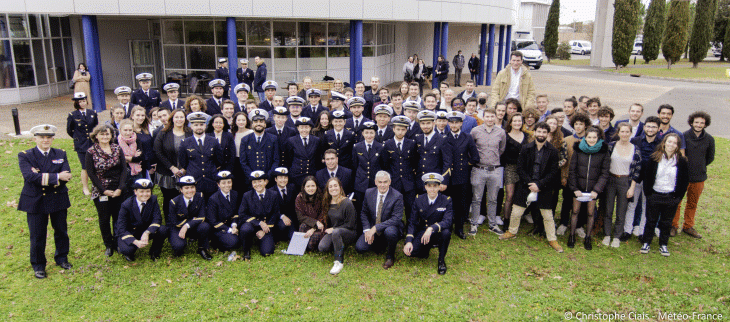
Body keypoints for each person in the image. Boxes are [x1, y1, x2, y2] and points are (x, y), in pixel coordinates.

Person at [498, 122, 564, 253]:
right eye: (539, 132)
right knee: (516, 212)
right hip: (526, 185)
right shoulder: (526, 148)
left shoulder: (553, 151)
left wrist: (539, 185)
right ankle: (511, 231)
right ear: (534, 133)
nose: (541, 134)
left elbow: (553, 172)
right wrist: (530, 184)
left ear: (547, 134)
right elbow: (520, 168)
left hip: (543, 186)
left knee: (548, 216)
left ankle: (552, 239)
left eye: (544, 132)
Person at [18, 124, 73, 279]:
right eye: (42, 137)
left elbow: (66, 176)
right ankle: (38, 265)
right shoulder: (26, 155)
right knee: (37, 235)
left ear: (53, 139)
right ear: (35, 138)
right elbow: (30, 177)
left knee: (61, 231)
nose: (45, 140)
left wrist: (43, 176)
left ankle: (62, 258)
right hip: (36, 200)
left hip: (58, 197)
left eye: (48, 137)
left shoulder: (60, 153)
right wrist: (56, 177)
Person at [640, 133, 689, 257]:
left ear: (678, 146)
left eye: (675, 143)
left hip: (670, 196)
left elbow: (684, 181)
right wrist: (649, 194)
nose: (671, 145)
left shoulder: (681, 160)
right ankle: (646, 242)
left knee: (666, 222)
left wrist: (678, 197)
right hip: (655, 194)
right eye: (669, 141)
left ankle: (663, 244)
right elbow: (647, 177)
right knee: (651, 221)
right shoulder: (654, 158)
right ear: (664, 142)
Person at [85, 124, 127, 257]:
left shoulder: (117, 148)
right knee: (104, 218)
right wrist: (103, 190)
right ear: (96, 136)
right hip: (101, 190)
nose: (105, 136)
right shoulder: (91, 152)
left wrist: (120, 188)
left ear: (111, 135)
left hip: (118, 189)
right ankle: (108, 245)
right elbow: (91, 173)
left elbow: (124, 170)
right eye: (102, 134)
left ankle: (118, 242)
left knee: (118, 217)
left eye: (107, 134)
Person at [672, 111, 714, 238]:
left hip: (699, 177)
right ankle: (673, 225)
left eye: (702, 123)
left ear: (705, 124)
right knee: (677, 202)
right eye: (696, 122)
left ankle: (688, 226)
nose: (699, 125)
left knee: (692, 203)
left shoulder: (709, 139)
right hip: (683, 176)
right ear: (691, 122)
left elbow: (710, 158)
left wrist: (699, 166)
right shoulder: (683, 136)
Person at [568, 126, 610, 250]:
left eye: (594, 137)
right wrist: (574, 188)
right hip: (579, 188)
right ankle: (571, 236)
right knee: (575, 211)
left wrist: (596, 190)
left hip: (592, 189)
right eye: (589, 137)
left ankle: (588, 237)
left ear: (598, 138)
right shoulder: (578, 149)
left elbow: (604, 173)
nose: (591, 140)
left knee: (590, 213)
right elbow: (572, 170)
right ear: (585, 138)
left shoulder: (603, 151)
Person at [403, 173, 453, 275]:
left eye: (435, 186)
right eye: (429, 186)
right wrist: (408, 241)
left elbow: (448, 221)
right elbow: (412, 222)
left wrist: (431, 228)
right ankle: (425, 249)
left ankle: (441, 261)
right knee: (411, 252)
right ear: (425, 187)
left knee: (446, 233)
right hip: (423, 232)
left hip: (437, 232)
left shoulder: (446, 200)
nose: (432, 189)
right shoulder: (418, 199)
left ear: (439, 187)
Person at [602, 122, 642, 248]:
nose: (624, 134)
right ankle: (607, 234)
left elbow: (637, 170)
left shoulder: (635, 149)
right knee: (608, 209)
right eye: (622, 131)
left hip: (625, 182)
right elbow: (604, 164)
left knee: (621, 211)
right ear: (618, 133)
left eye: (627, 132)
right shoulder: (611, 146)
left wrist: (632, 187)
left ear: (631, 133)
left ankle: (617, 237)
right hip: (610, 180)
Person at [623, 116, 662, 240]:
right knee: (631, 204)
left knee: (647, 206)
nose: (650, 129)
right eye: (648, 126)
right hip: (636, 178)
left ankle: (642, 231)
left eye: (654, 127)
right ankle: (627, 230)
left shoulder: (661, 143)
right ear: (644, 127)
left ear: (658, 129)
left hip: (651, 179)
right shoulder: (635, 140)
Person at [468, 108, 506, 236]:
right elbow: (471, 148)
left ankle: (492, 224)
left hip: (494, 170)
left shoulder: (501, 132)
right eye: (487, 116)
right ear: (483, 117)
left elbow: (501, 149)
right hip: (479, 169)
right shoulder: (475, 131)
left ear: (495, 117)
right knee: (476, 198)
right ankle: (473, 223)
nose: (490, 119)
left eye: (492, 117)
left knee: (493, 199)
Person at [355, 171, 404, 269]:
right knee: (360, 248)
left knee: (390, 232)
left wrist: (376, 228)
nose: (382, 185)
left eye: (385, 182)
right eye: (380, 182)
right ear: (375, 182)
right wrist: (367, 230)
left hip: (390, 227)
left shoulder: (397, 196)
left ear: (389, 182)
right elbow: (364, 213)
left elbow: (396, 218)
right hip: (373, 228)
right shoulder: (369, 193)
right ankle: (380, 245)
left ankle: (390, 256)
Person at [443, 111, 480, 239]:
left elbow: (475, 156)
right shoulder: (444, 138)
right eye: (451, 122)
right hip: (448, 177)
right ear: (448, 123)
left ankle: (459, 229)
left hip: (462, 176)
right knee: (448, 204)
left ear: (461, 123)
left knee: (460, 204)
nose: (454, 125)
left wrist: (465, 165)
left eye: (457, 122)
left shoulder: (467, 137)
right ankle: (447, 228)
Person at [556, 113, 591, 236]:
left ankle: (579, 226)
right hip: (569, 177)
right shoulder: (567, 140)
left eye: (581, 124)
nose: (578, 126)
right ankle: (564, 223)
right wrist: (564, 177)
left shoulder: (590, 140)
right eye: (576, 124)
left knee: (582, 202)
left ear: (585, 125)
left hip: (584, 178)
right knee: (566, 201)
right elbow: (564, 160)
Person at [116, 178, 167, 262]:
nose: (145, 194)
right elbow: (121, 228)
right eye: (141, 191)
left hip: (145, 230)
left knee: (163, 229)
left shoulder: (153, 199)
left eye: (147, 191)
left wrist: (147, 232)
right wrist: (135, 242)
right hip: (130, 232)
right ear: (135, 192)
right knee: (127, 250)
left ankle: (154, 252)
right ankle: (128, 252)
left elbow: (157, 218)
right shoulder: (126, 205)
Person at [154, 109, 191, 219]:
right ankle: (170, 222)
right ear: (172, 119)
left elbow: (194, 152)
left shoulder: (190, 132)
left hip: (186, 172)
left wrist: (184, 168)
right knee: (169, 198)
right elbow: (157, 151)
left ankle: (184, 221)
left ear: (185, 119)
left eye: (181, 117)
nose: (179, 119)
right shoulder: (163, 133)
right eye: (176, 117)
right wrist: (172, 167)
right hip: (167, 172)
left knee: (185, 198)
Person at [178, 112, 224, 199]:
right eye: (196, 125)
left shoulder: (213, 141)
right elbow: (183, 163)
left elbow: (219, 161)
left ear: (205, 126)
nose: (199, 127)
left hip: (211, 180)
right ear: (191, 127)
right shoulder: (185, 143)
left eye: (201, 124)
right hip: (193, 181)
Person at [318, 177, 358, 275]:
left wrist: (334, 229)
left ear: (340, 187)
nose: (333, 188)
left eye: (335, 186)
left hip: (349, 231)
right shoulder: (327, 202)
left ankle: (338, 261)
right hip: (334, 232)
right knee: (322, 247)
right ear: (328, 189)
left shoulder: (347, 203)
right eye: (330, 186)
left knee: (336, 232)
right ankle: (339, 244)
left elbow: (350, 224)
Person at [168, 176, 213, 260]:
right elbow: (175, 222)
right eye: (186, 188)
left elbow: (202, 217)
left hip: (191, 226)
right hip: (178, 227)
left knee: (205, 226)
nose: (190, 191)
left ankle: (202, 248)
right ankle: (178, 244)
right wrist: (187, 224)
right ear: (181, 190)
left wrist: (187, 225)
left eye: (192, 187)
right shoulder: (174, 202)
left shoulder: (200, 196)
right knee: (179, 247)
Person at [238, 170, 280, 259]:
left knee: (267, 252)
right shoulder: (247, 195)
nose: (258, 184)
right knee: (245, 229)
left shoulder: (273, 194)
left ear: (266, 182)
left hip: (267, 226)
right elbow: (242, 214)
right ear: (252, 184)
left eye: (260, 181)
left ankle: (260, 240)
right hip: (253, 225)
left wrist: (264, 230)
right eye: (254, 182)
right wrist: (259, 223)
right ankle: (246, 250)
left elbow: (275, 213)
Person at [500, 113, 530, 228]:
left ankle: (516, 218)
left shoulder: (527, 136)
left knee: (520, 195)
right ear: (510, 123)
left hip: (524, 169)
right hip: (510, 168)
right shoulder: (506, 136)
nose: (517, 123)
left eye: (519, 121)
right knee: (510, 195)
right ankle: (506, 220)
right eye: (515, 121)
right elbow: (503, 154)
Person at [67, 92, 98, 196]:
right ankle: (85, 187)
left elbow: (96, 128)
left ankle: (96, 184)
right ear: (76, 103)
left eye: (84, 101)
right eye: (80, 101)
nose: (82, 103)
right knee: (85, 167)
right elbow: (69, 130)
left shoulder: (92, 113)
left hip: (92, 143)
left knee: (95, 165)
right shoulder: (72, 115)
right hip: (81, 145)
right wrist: (78, 138)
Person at [414, 110, 452, 195]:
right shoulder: (418, 139)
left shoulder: (442, 139)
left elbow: (447, 162)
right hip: (420, 181)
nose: (425, 126)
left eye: (428, 123)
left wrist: (444, 181)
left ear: (433, 124)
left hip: (435, 181)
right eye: (423, 124)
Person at [352, 121, 384, 212]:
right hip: (360, 183)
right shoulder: (357, 147)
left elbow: (383, 165)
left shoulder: (380, 147)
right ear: (362, 133)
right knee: (360, 207)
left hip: (375, 183)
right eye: (366, 132)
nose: (369, 135)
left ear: (375, 133)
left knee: (374, 208)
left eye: (371, 132)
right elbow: (355, 165)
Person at [206, 171, 241, 253]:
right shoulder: (213, 199)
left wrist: (234, 226)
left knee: (244, 236)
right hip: (220, 229)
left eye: (229, 182)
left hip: (232, 226)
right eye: (223, 183)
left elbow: (236, 213)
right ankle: (216, 243)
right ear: (218, 184)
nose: (227, 185)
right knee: (235, 242)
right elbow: (213, 221)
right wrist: (229, 230)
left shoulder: (235, 194)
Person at [296, 176, 328, 251]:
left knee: (310, 245)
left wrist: (314, 228)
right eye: (308, 186)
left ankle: (311, 244)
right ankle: (302, 246)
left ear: (316, 186)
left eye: (313, 186)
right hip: (308, 223)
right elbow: (300, 217)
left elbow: (324, 215)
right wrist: (315, 222)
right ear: (304, 187)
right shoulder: (299, 198)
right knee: (302, 227)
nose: (311, 188)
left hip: (321, 226)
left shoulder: (322, 197)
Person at [269, 167, 297, 241]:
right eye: (280, 178)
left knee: (293, 237)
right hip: (277, 218)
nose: (283, 180)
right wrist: (282, 216)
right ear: (275, 179)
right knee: (282, 226)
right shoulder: (271, 191)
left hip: (290, 216)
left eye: (285, 177)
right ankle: (279, 235)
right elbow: (271, 210)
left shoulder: (292, 187)